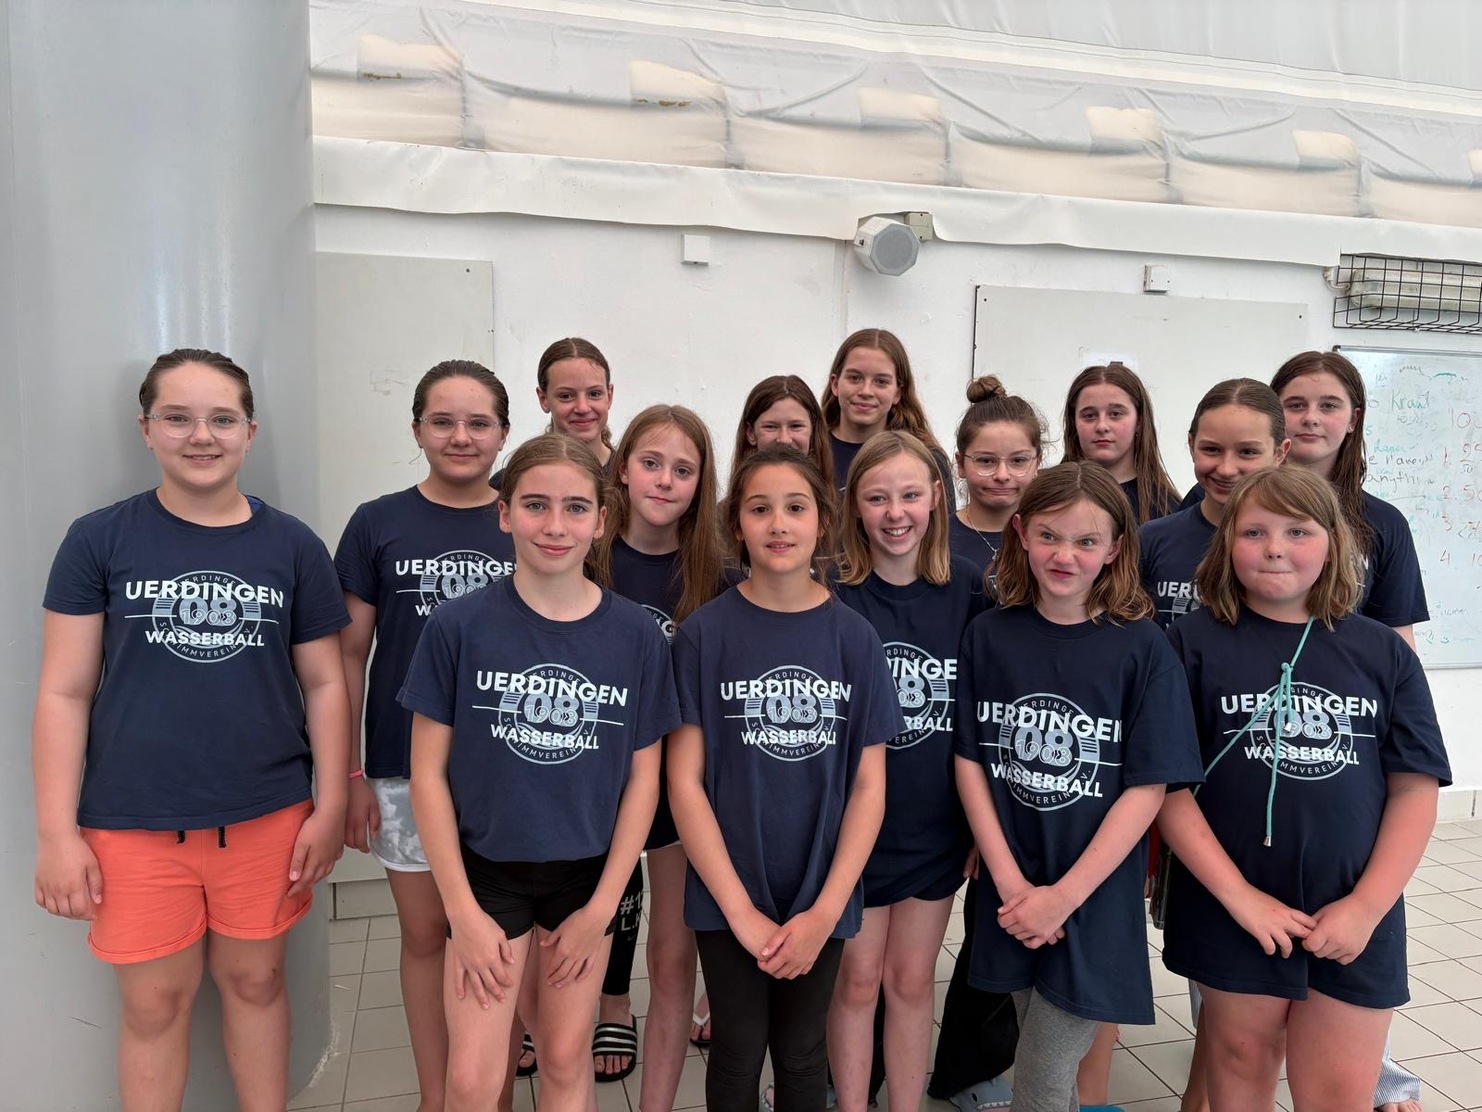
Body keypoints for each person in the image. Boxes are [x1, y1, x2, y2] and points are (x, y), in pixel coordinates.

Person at [32, 348, 352, 1111]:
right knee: (154, 1006)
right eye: (177, 417)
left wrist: (331, 805)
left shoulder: (293, 546)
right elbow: (64, 691)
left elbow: (327, 681)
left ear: (250, 430)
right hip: (133, 822)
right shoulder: (98, 540)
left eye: (221, 418)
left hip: (268, 815)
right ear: (146, 429)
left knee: (256, 982)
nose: (200, 435)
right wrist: (56, 835)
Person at [400, 434, 679, 1112]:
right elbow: (427, 776)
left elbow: (645, 781)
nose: (555, 526)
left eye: (575, 508)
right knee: (471, 1079)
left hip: (585, 879)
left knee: (561, 1059)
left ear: (602, 520)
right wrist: (461, 912)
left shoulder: (635, 636)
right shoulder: (458, 625)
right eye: (535, 505)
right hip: (485, 874)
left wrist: (601, 909)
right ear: (503, 513)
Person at [1158, 466, 1448, 1111]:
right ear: (1227, 541)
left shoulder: (1381, 653)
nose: (1275, 547)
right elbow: (1169, 788)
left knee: (1340, 1088)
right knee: (1239, 1065)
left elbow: (1415, 787)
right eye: (1254, 530)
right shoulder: (1188, 644)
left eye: (1298, 530)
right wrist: (1240, 899)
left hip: (1352, 908)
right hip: (1233, 907)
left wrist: (1368, 907)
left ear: (1335, 542)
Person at [953, 461, 1204, 1112]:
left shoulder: (1143, 649)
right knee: (1037, 1053)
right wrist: (1012, 885)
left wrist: (1061, 898)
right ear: (1020, 533)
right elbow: (971, 763)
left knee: (1042, 1067)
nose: (1065, 555)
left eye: (1086, 541)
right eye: (1049, 536)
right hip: (1010, 890)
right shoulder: (989, 634)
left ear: (1116, 548)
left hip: (1091, 896)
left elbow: (1148, 788)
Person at [668, 444, 902, 1112]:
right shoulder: (703, 636)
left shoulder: (854, 639)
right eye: (759, 508)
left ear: (822, 521)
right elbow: (685, 783)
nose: (778, 523)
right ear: (734, 523)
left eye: (795, 507)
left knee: (803, 1052)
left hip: (819, 888)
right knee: (737, 1048)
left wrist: (825, 909)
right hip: (727, 887)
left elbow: (868, 787)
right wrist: (738, 911)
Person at [336, 359, 514, 1111]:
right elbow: (348, 655)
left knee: (499, 942)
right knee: (425, 936)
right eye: (443, 421)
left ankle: (492, 1089)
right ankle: (437, 1094)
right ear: (416, 430)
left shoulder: (528, 514)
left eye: (479, 422)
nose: (461, 436)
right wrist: (347, 775)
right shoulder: (378, 523)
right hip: (403, 767)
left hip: (508, 770)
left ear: (505, 433)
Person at [828, 433, 986, 1112]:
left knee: (912, 982)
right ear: (854, 507)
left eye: (911, 495)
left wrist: (984, 826)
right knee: (857, 981)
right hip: (850, 831)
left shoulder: (972, 592)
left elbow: (986, 718)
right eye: (877, 497)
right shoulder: (831, 594)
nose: (896, 512)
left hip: (935, 824)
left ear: (938, 500)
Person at [587, 405, 728, 1102]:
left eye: (683, 469)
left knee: (673, 964)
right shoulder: (583, 557)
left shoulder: (718, 575)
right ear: (621, 467)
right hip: (589, 789)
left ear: (703, 483)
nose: (665, 481)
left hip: (679, 795)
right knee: (568, 953)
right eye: (651, 463)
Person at [1273, 350, 1429, 649]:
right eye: (1295, 405)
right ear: (1272, 413)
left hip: (1347, 690)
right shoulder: (1227, 502)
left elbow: (1398, 641)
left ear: (1353, 419)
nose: (1310, 418)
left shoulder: (1384, 523)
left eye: (1328, 406)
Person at [1140, 380, 1290, 630]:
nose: (1226, 469)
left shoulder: (1299, 549)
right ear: (1191, 445)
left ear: (1279, 453)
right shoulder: (1151, 540)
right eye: (1211, 449)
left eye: (1247, 452)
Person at [819, 328, 955, 506]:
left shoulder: (926, 459)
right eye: (855, 378)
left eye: (881, 382)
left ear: (898, 392)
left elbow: (943, 532)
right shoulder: (811, 451)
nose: (866, 391)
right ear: (835, 384)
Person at [948, 376, 1045, 591]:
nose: (1002, 475)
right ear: (961, 464)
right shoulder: (935, 541)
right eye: (986, 461)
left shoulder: (1053, 538)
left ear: (1037, 462)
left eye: (1018, 461)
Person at [490, 337, 618, 491]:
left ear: (609, 396)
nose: (583, 408)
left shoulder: (630, 477)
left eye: (594, 393)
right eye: (566, 396)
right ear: (543, 399)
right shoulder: (512, 481)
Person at [1062, 363, 1179, 525]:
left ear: (1139, 421)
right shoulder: (1049, 496)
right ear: (1073, 422)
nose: (1102, 426)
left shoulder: (1167, 510)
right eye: (1089, 415)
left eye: (1115, 414)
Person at [732, 374, 836, 493]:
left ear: (813, 431)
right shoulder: (724, 511)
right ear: (750, 433)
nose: (784, 439)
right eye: (770, 427)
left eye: (796, 426)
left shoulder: (837, 508)